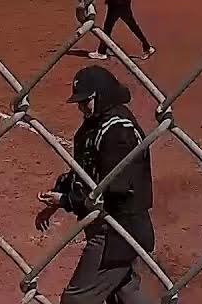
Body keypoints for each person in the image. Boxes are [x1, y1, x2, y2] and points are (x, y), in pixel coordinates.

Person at [36, 66, 155, 304]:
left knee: (76, 300)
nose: (81, 107)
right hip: (114, 229)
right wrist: (60, 196)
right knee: (124, 291)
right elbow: (84, 170)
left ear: (102, 95)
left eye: (86, 101)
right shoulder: (97, 125)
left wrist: (67, 201)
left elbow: (111, 192)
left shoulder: (118, 131)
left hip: (117, 231)